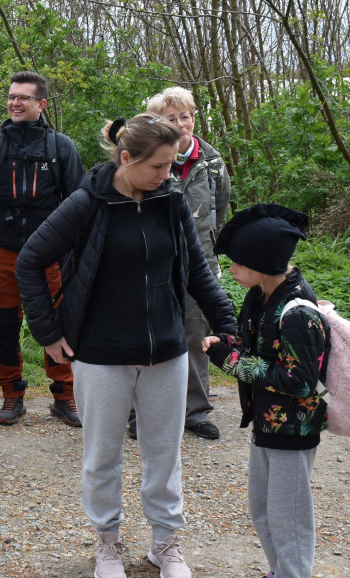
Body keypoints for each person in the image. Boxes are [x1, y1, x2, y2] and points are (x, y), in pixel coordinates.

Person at [16, 113, 236, 578]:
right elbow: (30, 261)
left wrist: (229, 325)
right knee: (102, 455)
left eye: (173, 165)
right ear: (126, 158)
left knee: (164, 454)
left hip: (168, 352)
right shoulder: (86, 204)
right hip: (101, 353)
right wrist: (48, 332)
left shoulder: (172, 203)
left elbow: (198, 272)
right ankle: (108, 540)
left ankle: (165, 543)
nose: (168, 175)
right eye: (159, 166)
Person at [204, 204, 328, 578]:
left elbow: (299, 381)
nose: (233, 270)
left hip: (293, 430)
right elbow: (257, 347)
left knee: (289, 516)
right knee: (264, 507)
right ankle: (282, 577)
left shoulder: (298, 313)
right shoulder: (262, 297)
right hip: (267, 424)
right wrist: (228, 342)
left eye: (238, 263)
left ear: (261, 264)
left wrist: (230, 361)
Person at [0, 71, 85, 428]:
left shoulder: (61, 147)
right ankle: (12, 395)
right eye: (11, 96)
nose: (14, 102)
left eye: (23, 98)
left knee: (59, 326)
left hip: (50, 256)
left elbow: (79, 201)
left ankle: (65, 396)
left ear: (41, 104)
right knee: (5, 326)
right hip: (2, 251)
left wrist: (66, 250)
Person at [126, 87, 231, 441]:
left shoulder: (213, 162)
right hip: (152, 267)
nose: (181, 123)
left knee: (195, 338)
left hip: (198, 266)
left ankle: (195, 411)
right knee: (145, 338)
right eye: (171, 118)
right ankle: (138, 414)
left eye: (185, 116)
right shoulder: (145, 161)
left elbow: (219, 211)